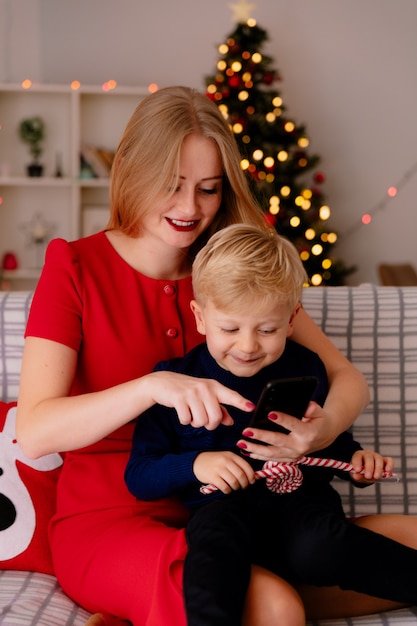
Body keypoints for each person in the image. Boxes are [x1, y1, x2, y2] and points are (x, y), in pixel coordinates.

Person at [14, 85, 417, 626]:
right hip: (115, 518)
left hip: (241, 508)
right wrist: (149, 387)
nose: (189, 209)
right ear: (131, 169)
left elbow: (345, 379)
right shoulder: (75, 268)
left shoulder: (235, 270)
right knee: (274, 605)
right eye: (172, 186)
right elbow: (36, 430)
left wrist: (318, 436)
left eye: (208, 189)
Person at [125, 223, 417, 626]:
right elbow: (139, 475)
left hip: (301, 502)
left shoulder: (305, 367)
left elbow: (327, 440)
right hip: (220, 508)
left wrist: (357, 463)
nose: (248, 346)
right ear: (201, 317)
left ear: (292, 319)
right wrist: (196, 465)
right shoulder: (178, 380)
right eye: (230, 328)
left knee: (321, 546)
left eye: (267, 329)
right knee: (210, 560)